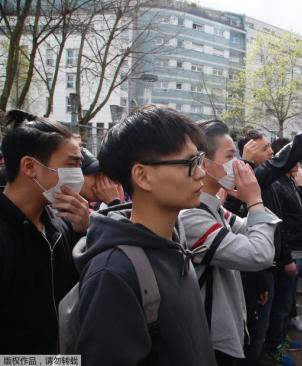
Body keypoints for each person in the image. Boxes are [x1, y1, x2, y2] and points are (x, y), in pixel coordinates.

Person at [73, 106, 217, 365]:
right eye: (190, 163)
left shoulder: (174, 242)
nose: (201, 173)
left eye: (201, 159)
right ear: (142, 176)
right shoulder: (113, 273)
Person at [226, 114, 302, 366]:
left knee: (272, 312)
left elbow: (282, 219)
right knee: (260, 320)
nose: (272, 152)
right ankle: (263, 352)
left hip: (274, 259)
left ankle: (272, 345)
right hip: (262, 265)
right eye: (266, 148)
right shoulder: (256, 177)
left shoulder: (270, 180)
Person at [178, 119, 280, 366]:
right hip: (211, 340)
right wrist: (255, 200)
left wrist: (252, 202)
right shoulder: (191, 216)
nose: (238, 164)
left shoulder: (214, 208)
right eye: (231, 155)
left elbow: (252, 228)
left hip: (227, 328)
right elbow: (259, 253)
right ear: (204, 162)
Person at [0, 109, 89, 353]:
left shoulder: (60, 225)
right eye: (71, 164)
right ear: (30, 166)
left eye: (80, 165)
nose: (78, 175)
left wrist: (84, 233)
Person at [264, 138, 302, 363]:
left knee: (286, 300)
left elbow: (301, 214)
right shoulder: (274, 184)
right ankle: (275, 346)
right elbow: (279, 225)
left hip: (297, 247)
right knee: (281, 303)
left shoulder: (291, 181)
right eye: (292, 156)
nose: (298, 162)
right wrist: (287, 257)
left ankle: (280, 338)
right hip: (288, 252)